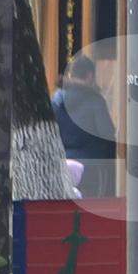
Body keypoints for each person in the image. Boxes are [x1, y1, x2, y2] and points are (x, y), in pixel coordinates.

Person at [52, 54, 116, 198]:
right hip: (92, 170)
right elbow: (107, 136)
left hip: (62, 166)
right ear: (89, 76)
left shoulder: (55, 100)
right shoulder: (95, 101)